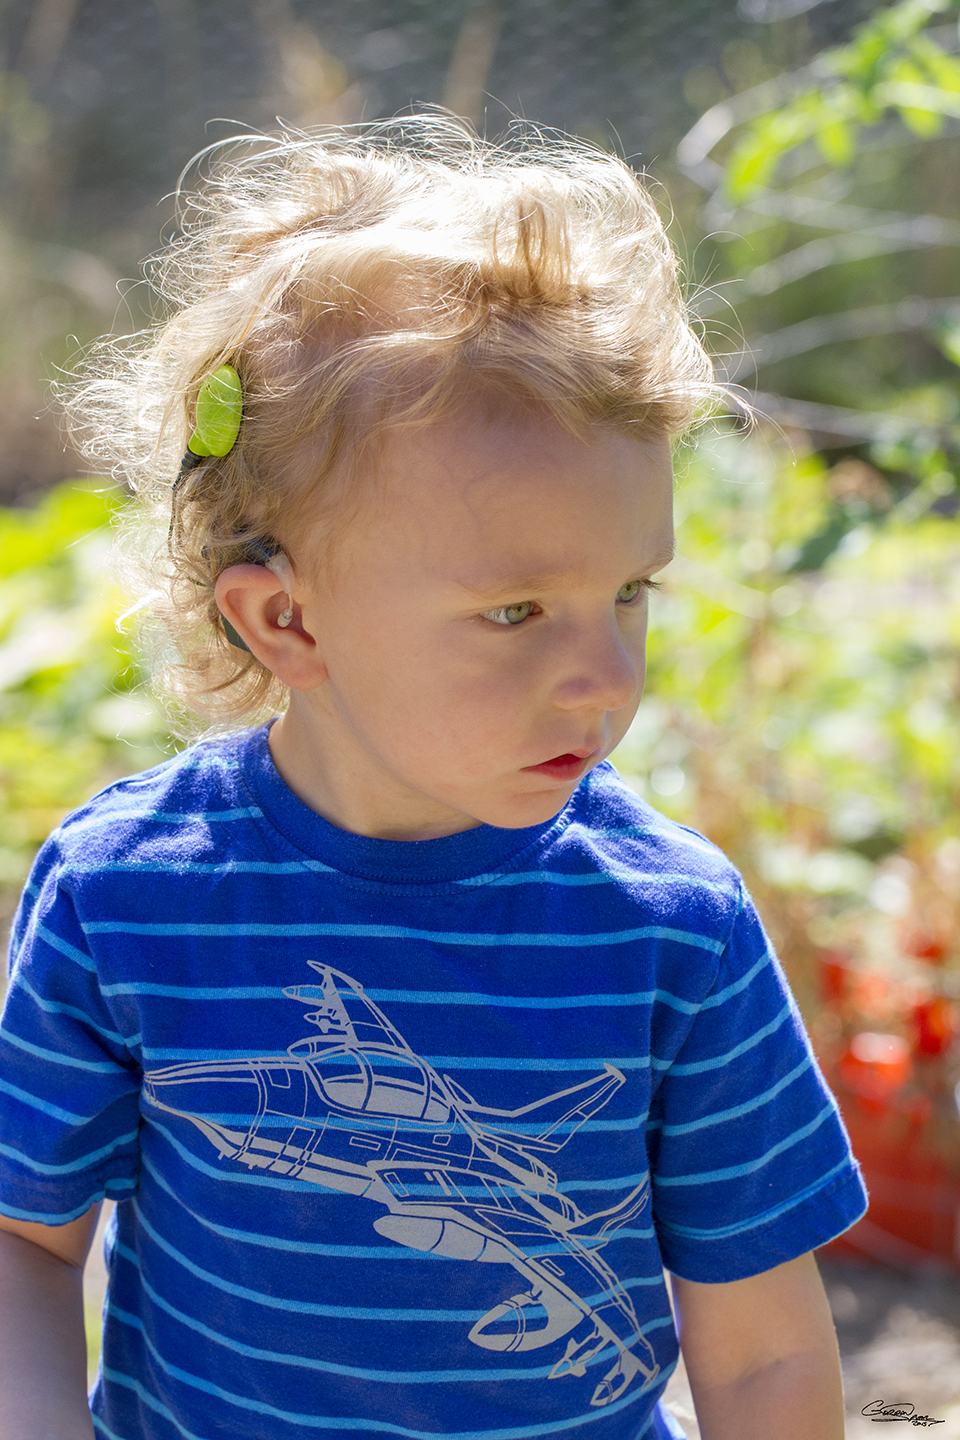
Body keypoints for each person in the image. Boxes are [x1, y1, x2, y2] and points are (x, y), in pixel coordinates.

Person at [0, 115, 865, 1440]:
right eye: (518, 611)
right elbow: (28, 1245)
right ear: (285, 623)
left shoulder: (673, 927)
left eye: (628, 594)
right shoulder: (128, 897)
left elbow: (759, 1361)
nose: (605, 678)